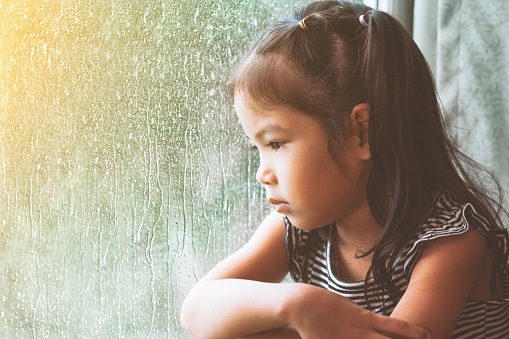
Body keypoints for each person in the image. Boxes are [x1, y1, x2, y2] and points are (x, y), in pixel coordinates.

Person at [180, 1, 509, 338]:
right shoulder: (297, 229)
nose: (262, 174)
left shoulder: (451, 242)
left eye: (276, 143)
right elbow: (196, 310)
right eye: (258, 148)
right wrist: (297, 303)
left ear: (360, 133)